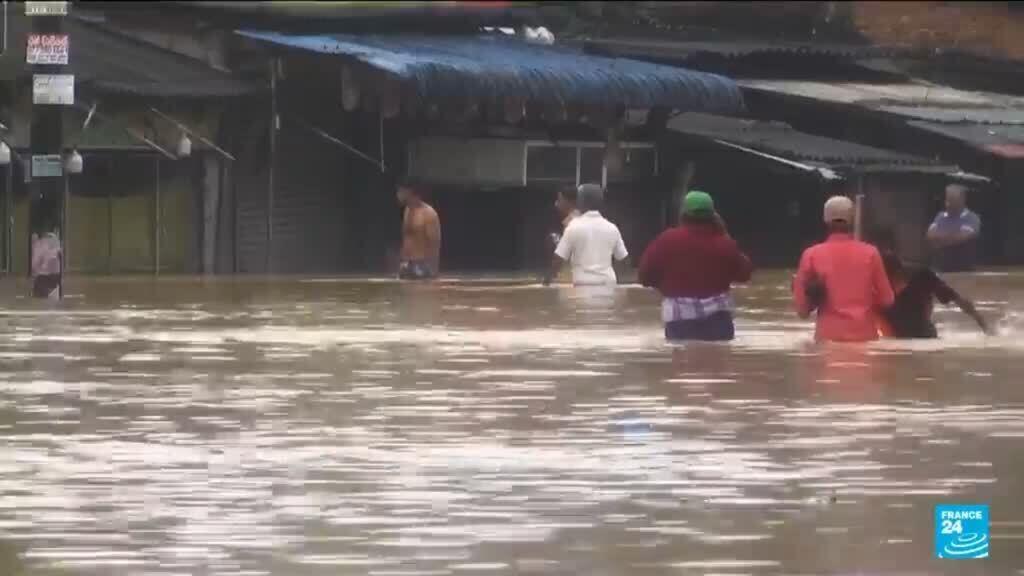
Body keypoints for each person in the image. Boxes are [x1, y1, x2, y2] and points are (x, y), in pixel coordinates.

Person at [638, 190, 752, 341]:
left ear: (683, 214)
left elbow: (645, 277)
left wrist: (668, 286)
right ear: (714, 216)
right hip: (718, 323)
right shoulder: (725, 244)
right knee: (719, 362)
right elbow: (745, 274)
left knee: (682, 362)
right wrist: (725, 234)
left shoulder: (666, 240)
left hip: (680, 322)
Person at [793, 195, 894, 342]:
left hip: (827, 339)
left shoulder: (811, 255)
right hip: (864, 338)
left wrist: (812, 297)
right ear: (852, 220)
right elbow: (887, 300)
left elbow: (802, 311)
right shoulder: (871, 253)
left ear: (825, 220)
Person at [877, 248, 990, 338]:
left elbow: (958, 300)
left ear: (900, 272)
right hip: (895, 336)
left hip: (924, 334)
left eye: (894, 279)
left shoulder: (921, 275)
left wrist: (984, 325)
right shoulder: (876, 285)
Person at [543, 183, 628, 286]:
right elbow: (623, 259)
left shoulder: (573, 227)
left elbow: (558, 259)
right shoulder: (612, 228)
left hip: (583, 284)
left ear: (581, 202)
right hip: (609, 283)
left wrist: (546, 282)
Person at [927, 184, 981, 272]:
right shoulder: (940, 216)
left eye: (952, 201)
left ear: (962, 200)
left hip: (964, 271)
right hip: (940, 269)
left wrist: (940, 240)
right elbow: (930, 236)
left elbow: (961, 238)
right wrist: (951, 236)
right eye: (947, 200)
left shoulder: (971, 218)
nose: (948, 204)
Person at [396, 179, 441, 280]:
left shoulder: (428, 213)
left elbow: (435, 243)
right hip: (407, 264)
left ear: (409, 192)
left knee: (418, 294)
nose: (398, 194)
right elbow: (407, 238)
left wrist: (434, 271)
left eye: (400, 191)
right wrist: (403, 262)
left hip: (422, 265)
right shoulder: (407, 211)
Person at [547, 187, 582, 284]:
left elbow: (560, 257)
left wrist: (547, 281)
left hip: (574, 279)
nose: (556, 203)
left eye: (559, 199)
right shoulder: (580, 218)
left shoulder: (572, 223)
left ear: (569, 202)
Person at [31, 229, 62, 299]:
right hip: (56, 277)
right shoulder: (56, 242)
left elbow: (34, 264)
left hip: (44, 277)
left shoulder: (39, 244)